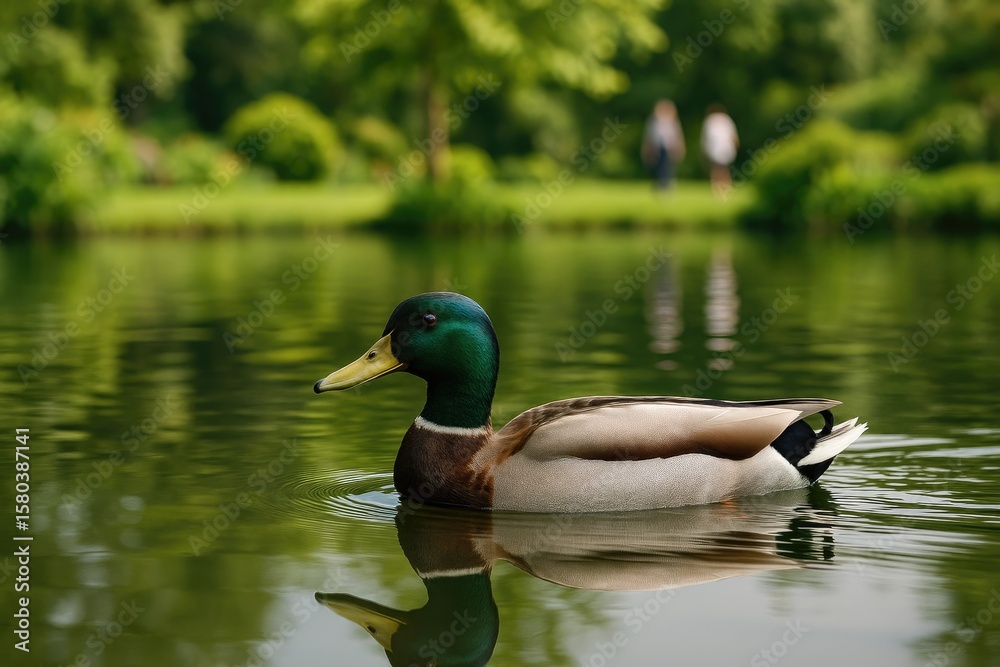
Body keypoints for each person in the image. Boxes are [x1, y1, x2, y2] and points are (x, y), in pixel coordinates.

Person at [642, 100, 685, 191]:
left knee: (668, 167)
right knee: (657, 167)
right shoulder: (653, 121)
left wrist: (679, 147)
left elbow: (677, 135)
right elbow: (649, 136)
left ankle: (667, 185)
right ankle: (659, 185)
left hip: (669, 147)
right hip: (656, 147)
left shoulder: (672, 122)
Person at [701, 104, 739, 197]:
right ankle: (726, 188)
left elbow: (705, 138)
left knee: (716, 169)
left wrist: (704, 151)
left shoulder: (709, 120)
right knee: (724, 169)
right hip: (727, 148)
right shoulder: (727, 119)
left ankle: (716, 189)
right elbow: (734, 137)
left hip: (714, 149)